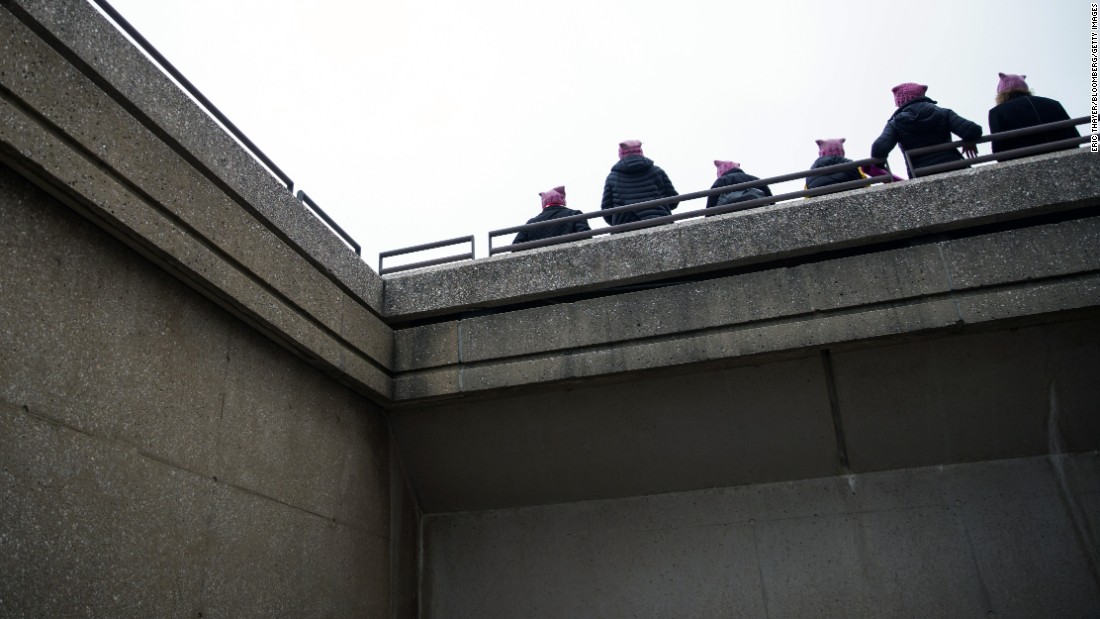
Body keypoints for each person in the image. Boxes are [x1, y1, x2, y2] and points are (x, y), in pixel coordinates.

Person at [871, 82, 982, 178]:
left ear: (900, 103)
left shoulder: (895, 124)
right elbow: (973, 131)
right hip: (955, 168)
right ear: (921, 95)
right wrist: (967, 141)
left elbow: (878, 149)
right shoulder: (943, 113)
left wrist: (880, 166)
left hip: (921, 175)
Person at [988, 73, 1080, 155]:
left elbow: (999, 151)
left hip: (1024, 166)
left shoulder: (997, 112)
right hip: (1066, 158)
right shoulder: (1053, 103)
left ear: (1001, 92)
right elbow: (1075, 136)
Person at [600, 140, 679, 227]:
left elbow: (607, 210)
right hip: (660, 222)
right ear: (640, 152)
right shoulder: (657, 171)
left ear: (621, 154)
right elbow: (673, 201)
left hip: (625, 228)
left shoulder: (613, 178)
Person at [512, 186, 591, 246]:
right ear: (562, 201)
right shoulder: (574, 214)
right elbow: (587, 238)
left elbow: (516, 247)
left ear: (544, 204)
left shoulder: (531, 223)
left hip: (539, 265)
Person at [706, 160, 772, 215]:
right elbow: (768, 196)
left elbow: (712, 202)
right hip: (756, 206)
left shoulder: (720, 181)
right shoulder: (753, 178)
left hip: (728, 211)